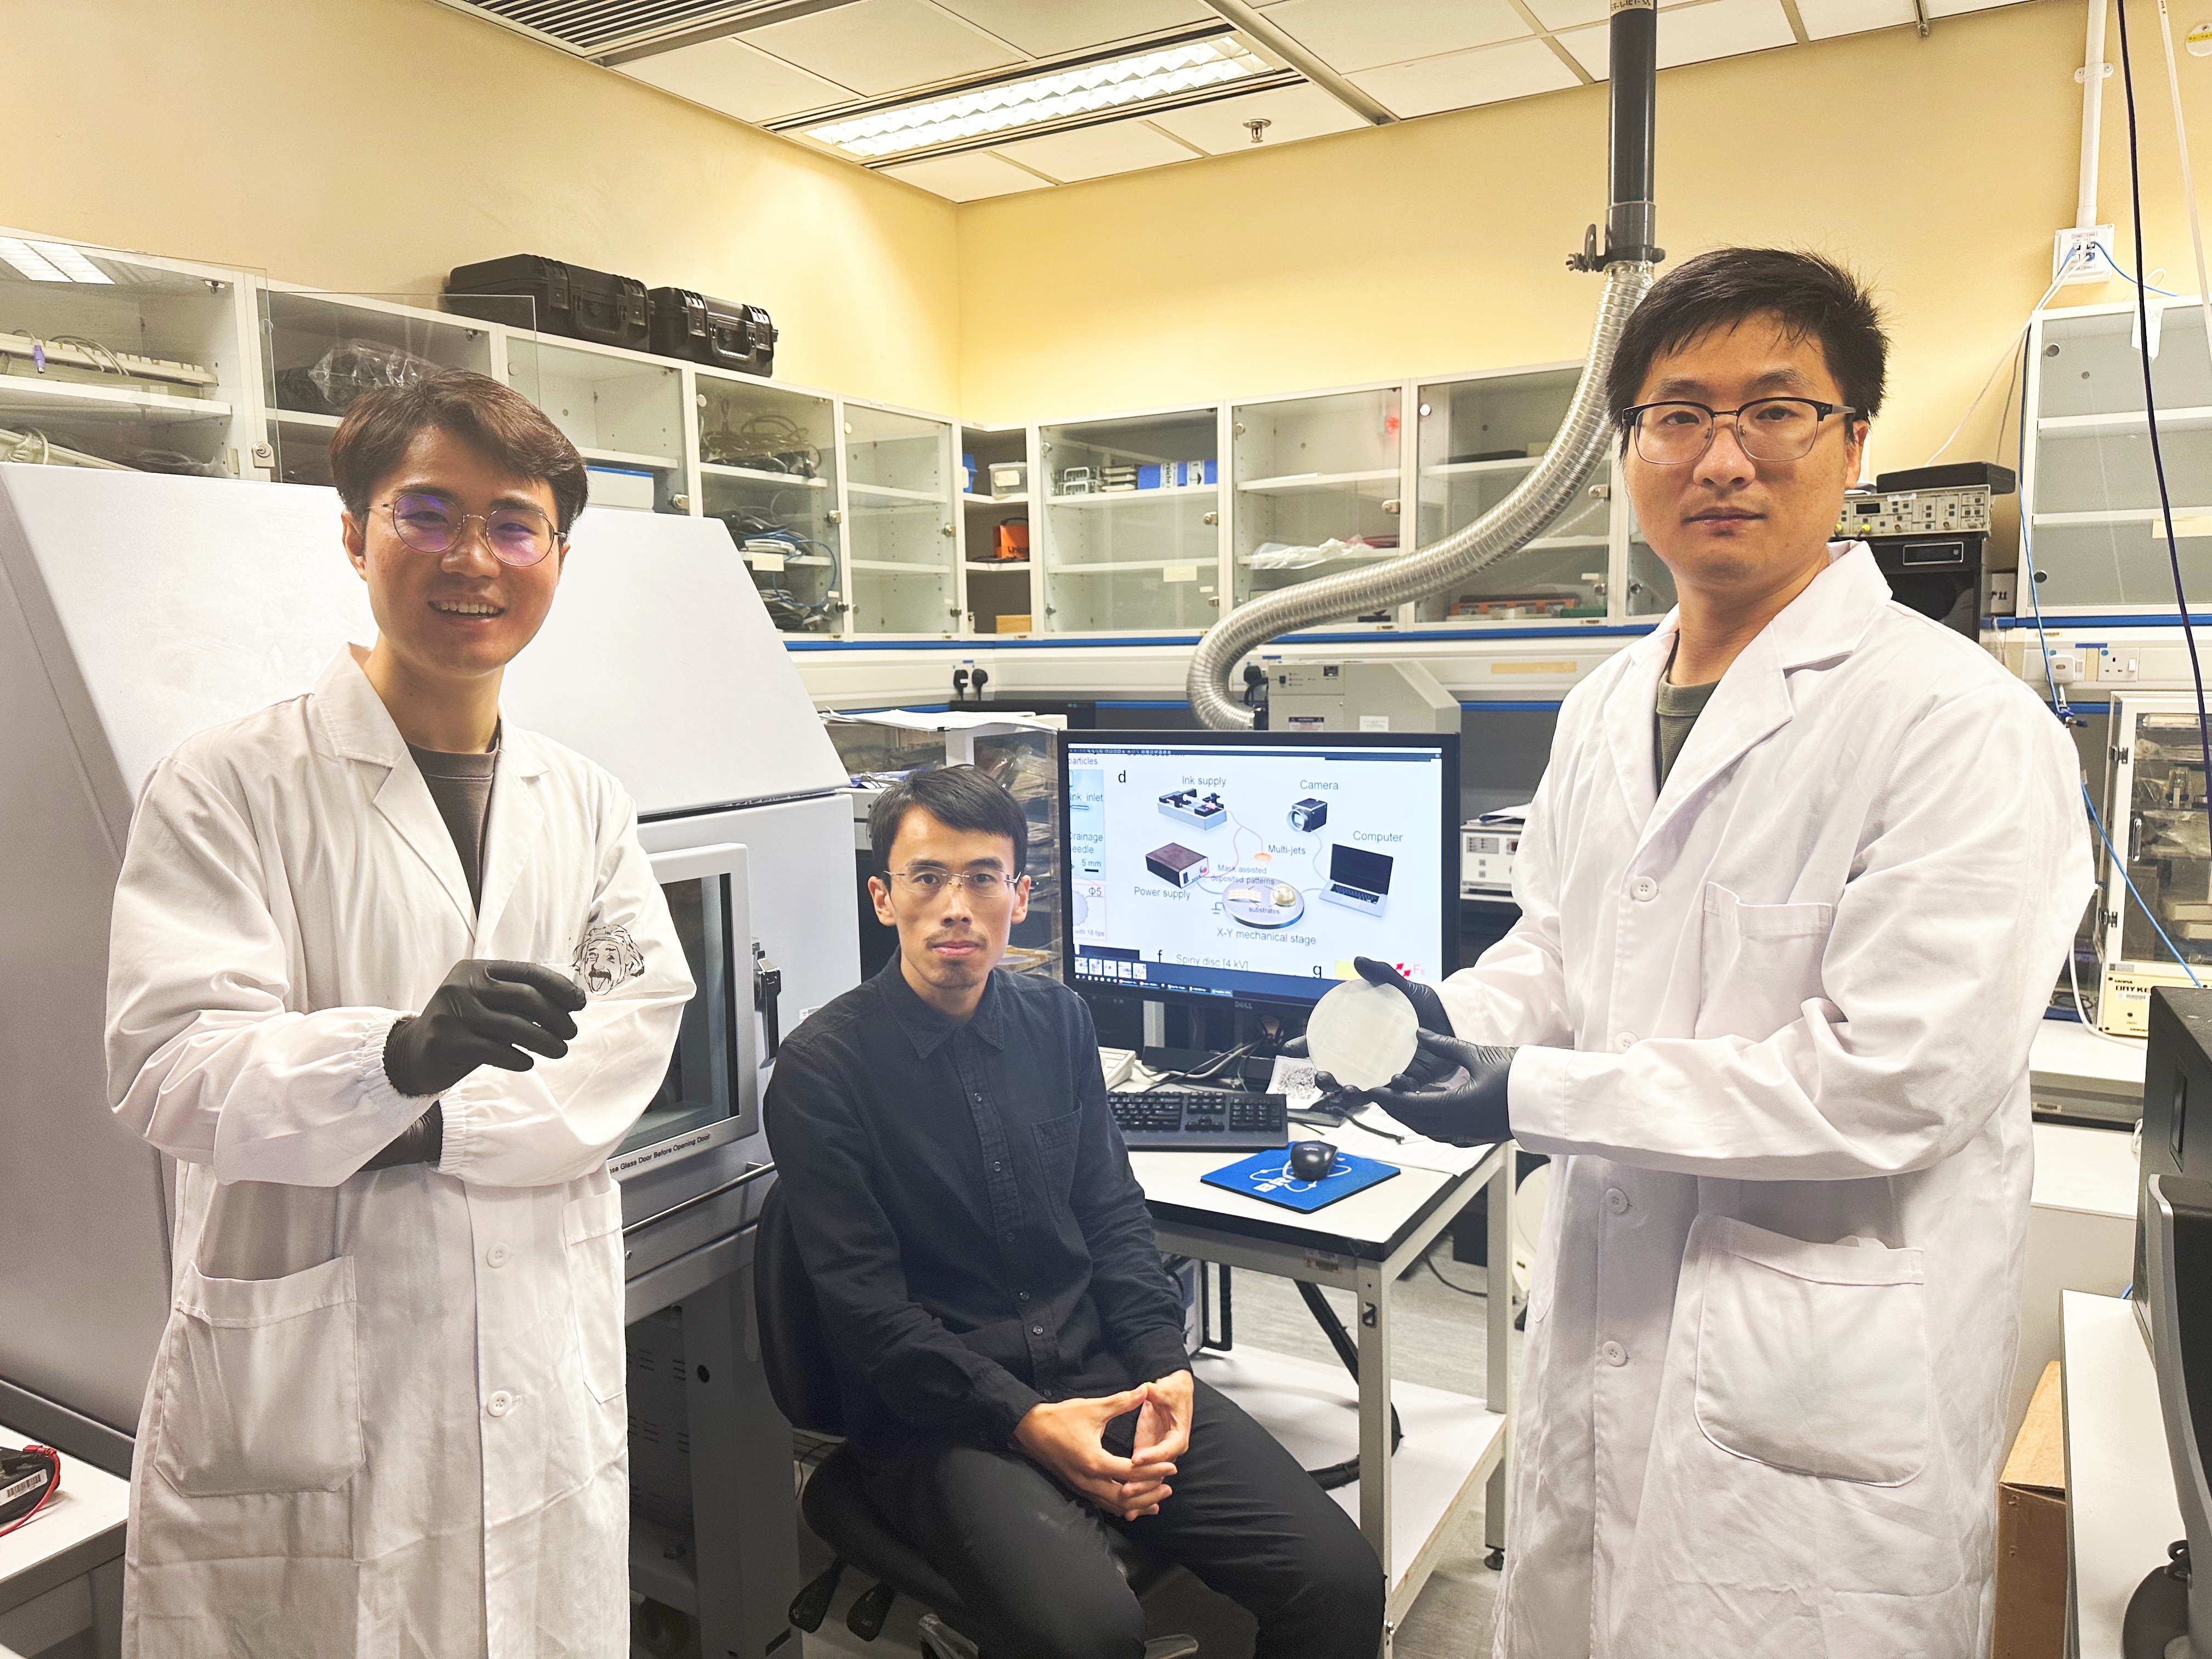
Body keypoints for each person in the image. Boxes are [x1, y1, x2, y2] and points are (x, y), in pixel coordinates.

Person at [1325, 249, 2092, 1657]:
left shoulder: (1964, 730)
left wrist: (1525, 1094)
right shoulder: (1605, 706)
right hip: (1608, 1316)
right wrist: (1444, 1019)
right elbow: (1557, 949)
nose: (1722, 456)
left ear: (1854, 439)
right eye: (1679, 415)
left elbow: (1889, 1083)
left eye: (1776, 411)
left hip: (1818, 1388)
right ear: (1630, 448)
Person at [105, 370, 692, 1655]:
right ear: (355, 532)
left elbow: (632, 1028)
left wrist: (425, 1128)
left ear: (558, 554)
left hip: (534, 1356)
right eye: (427, 514)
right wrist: (394, 1058)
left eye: (514, 524)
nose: (472, 559)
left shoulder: (584, 802)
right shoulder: (223, 787)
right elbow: (167, 1065)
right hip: (311, 1373)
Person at [766, 766, 1385, 1659]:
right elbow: (868, 1315)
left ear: (1021, 894)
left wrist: (1166, 1370)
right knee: (1089, 1635)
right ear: (883, 896)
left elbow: (1112, 1217)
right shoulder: (825, 1072)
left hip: (1107, 1373)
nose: (956, 906)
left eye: (983, 878)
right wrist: (1028, 1421)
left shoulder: (1057, 1020)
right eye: (927, 878)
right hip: (943, 1418)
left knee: (1339, 1580)